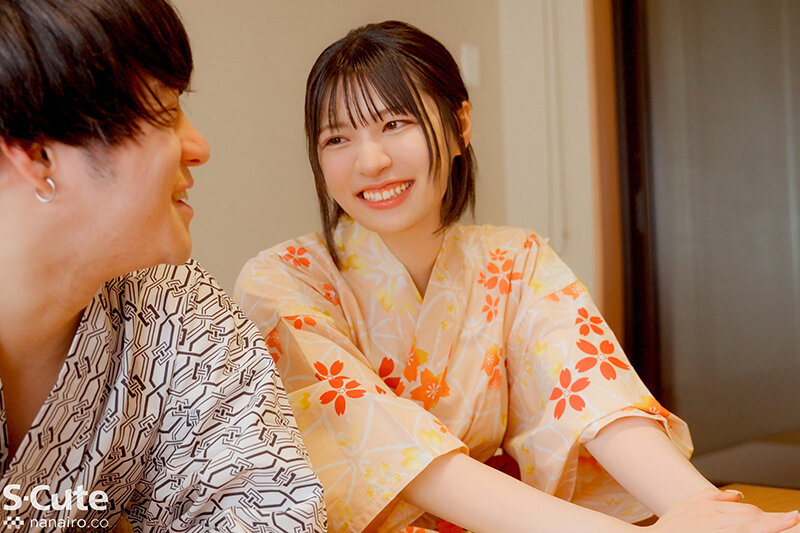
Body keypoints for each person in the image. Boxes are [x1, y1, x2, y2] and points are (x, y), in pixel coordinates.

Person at [235, 20, 800, 533]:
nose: (370, 161)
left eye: (394, 123)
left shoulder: (515, 259)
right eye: (336, 138)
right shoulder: (280, 282)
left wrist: (708, 510)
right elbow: (388, 453)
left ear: (459, 126)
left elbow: (593, 397)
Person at [0, 1, 326, 531]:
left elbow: (268, 508)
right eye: (167, 112)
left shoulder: (180, 307)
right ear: (37, 155)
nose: (199, 148)